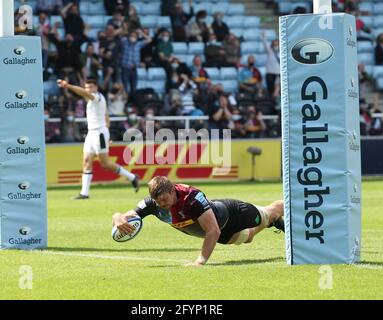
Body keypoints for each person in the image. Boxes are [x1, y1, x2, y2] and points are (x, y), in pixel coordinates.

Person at [112, 176, 285, 266]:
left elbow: (213, 231)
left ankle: (293, 205)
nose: (162, 205)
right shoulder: (152, 203)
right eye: (158, 202)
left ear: (173, 191)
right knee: (247, 239)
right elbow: (128, 215)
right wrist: (117, 217)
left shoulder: (192, 198)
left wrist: (200, 261)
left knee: (268, 212)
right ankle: (273, 220)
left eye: (165, 200)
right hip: (219, 233)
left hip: (233, 214)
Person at [56, 78, 140, 199]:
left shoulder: (97, 97)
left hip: (99, 133)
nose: (88, 90)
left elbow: (85, 94)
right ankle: (84, 193)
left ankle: (132, 177)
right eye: (86, 87)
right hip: (92, 133)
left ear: (96, 88)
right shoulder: (96, 101)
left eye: (90, 87)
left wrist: (67, 85)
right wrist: (108, 134)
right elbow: (106, 116)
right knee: (86, 161)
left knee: (105, 164)